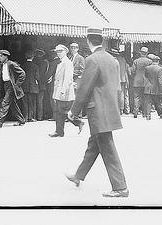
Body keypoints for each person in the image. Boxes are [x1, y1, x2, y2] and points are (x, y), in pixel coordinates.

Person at [66, 27, 129, 198]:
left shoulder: (92, 59)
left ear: (88, 41)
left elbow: (85, 88)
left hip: (98, 110)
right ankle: (78, 176)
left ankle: (120, 187)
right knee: (94, 145)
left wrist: (74, 111)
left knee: (107, 148)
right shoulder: (112, 59)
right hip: (109, 108)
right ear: (102, 41)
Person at [49, 44, 84, 137]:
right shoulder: (61, 62)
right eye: (57, 52)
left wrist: (63, 91)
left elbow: (68, 78)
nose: (58, 53)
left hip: (64, 91)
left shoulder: (67, 63)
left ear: (65, 52)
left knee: (62, 111)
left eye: (60, 51)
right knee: (60, 111)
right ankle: (59, 131)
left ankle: (78, 122)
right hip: (60, 90)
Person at [0, 50, 26, 128]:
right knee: (12, 104)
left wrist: (17, 84)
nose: (0, 58)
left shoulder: (11, 64)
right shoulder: (1, 65)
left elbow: (22, 73)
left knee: (5, 102)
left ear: (6, 57)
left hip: (11, 85)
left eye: (1, 56)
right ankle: (21, 120)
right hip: (5, 85)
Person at [130, 47, 152, 119]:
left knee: (136, 97)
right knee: (145, 98)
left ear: (140, 53)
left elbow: (132, 71)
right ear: (147, 53)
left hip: (137, 81)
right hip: (146, 82)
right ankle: (144, 113)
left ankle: (135, 112)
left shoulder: (136, 61)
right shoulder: (149, 61)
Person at [143, 54, 162, 120]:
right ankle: (161, 114)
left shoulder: (147, 68)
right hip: (156, 88)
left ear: (152, 61)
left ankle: (148, 115)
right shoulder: (160, 68)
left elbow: (145, 77)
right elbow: (160, 80)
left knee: (148, 102)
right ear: (158, 61)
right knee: (157, 102)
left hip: (148, 87)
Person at [22, 50, 40, 122]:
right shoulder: (35, 66)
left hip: (24, 87)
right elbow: (37, 77)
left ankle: (25, 117)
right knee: (32, 103)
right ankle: (31, 117)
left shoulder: (23, 66)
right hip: (33, 87)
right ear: (33, 57)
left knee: (25, 103)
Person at [33, 49, 49, 121]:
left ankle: (34, 116)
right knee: (40, 101)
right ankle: (40, 117)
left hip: (34, 84)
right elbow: (46, 74)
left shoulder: (34, 62)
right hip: (42, 84)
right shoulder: (45, 63)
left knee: (34, 101)